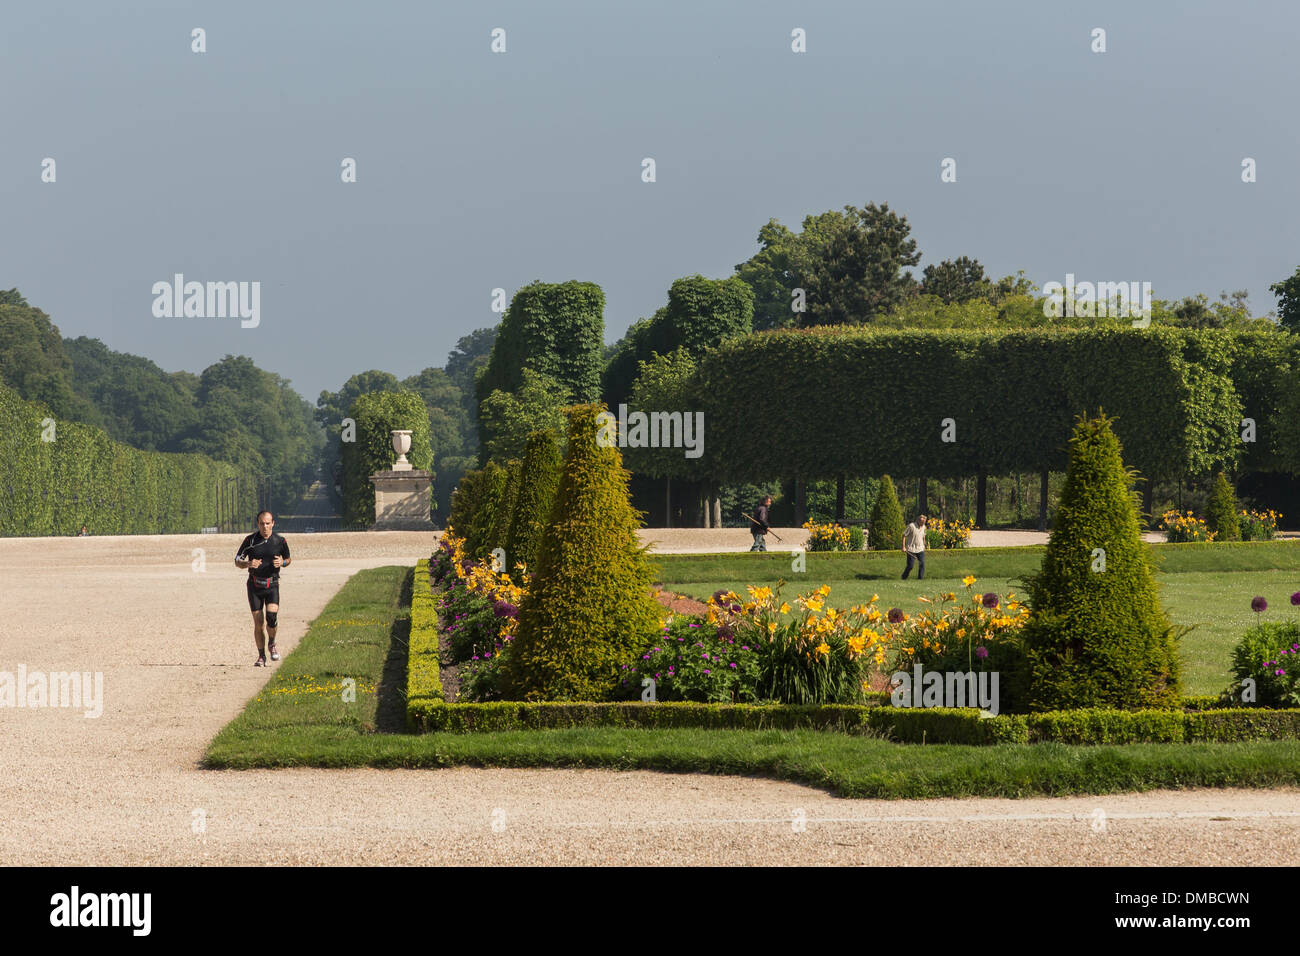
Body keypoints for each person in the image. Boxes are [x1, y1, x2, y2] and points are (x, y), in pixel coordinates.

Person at [235, 510, 292, 666]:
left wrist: (283, 563)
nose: (265, 527)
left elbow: (288, 559)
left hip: (272, 584)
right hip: (254, 586)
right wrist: (247, 564)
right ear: (257, 524)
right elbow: (237, 560)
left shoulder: (280, 541)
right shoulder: (250, 540)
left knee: (272, 618)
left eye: (268, 523)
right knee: (258, 622)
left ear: (273, 523)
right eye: (262, 523)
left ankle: (272, 643)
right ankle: (261, 656)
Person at [902, 513, 927, 580]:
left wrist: (924, 545)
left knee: (922, 564)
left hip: (920, 548)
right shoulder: (911, 526)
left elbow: (923, 536)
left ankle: (920, 579)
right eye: (922, 522)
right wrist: (903, 547)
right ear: (918, 520)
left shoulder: (924, 527)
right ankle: (904, 577)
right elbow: (904, 535)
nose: (923, 524)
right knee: (910, 566)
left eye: (924, 522)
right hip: (911, 549)